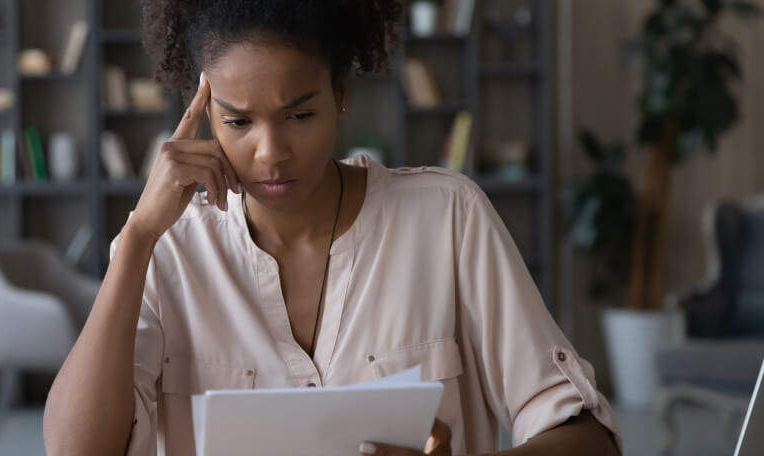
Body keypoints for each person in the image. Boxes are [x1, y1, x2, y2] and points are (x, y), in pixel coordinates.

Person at [43, 1, 622, 455]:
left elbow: (588, 437)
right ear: (203, 113)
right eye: (238, 121)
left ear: (341, 93)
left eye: (299, 114)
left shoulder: (448, 218)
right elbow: (74, 451)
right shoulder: (168, 250)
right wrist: (138, 238)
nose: (270, 153)